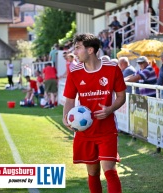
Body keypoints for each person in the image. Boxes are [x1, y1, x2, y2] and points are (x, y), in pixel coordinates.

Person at [62, 33, 126, 193]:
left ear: (90, 50)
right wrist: (66, 118)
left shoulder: (112, 69)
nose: (75, 52)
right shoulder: (74, 72)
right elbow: (70, 100)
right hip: (85, 131)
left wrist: (109, 109)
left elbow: (121, 96)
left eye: (78, 48)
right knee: (93, 172)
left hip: (107, 129)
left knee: (109, 170)